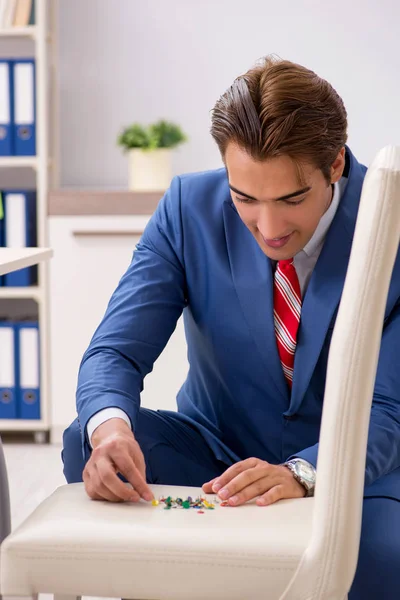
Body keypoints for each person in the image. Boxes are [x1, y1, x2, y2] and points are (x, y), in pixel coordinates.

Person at [62, 55, 400, 599]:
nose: (268, 229)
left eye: (291, 199)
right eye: (245, 198)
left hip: (352, 468)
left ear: (335, 164)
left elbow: (390, 410)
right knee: (89, 440)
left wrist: (303, 472)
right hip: (216, 453)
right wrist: (111, 430)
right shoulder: (187, 208)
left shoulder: (392, 223)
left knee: (382, 559)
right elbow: (115, 352)